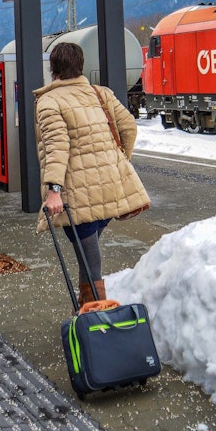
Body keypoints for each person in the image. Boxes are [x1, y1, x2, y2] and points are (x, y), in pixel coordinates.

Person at [34, 42, 150, 306]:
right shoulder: (101, 94)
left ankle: (98, 317)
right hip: (108, 190)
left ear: (53, 69)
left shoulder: (49, 101)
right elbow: (129, 127)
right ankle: (89, 311)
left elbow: (56, 145)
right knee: (87, 257)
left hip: (77, 197)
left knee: (90, 262)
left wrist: (53, 191)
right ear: (81, 66)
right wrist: (118, 162)